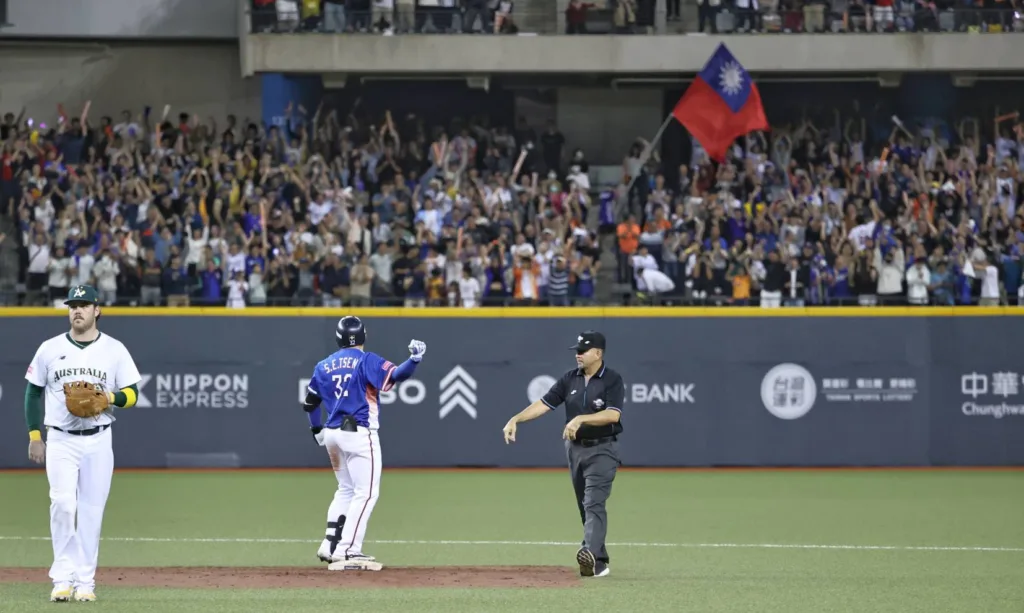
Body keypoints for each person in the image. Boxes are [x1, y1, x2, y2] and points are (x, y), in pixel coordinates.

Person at [24, 284, 142, 603]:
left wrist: (110, 398)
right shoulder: (50, 348)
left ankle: (85, 581)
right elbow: (33, 391)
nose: (77, 310)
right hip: (61, 439)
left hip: (99, 440)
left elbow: (133, 392)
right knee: (62, 504)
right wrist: (35, 435)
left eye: (84, 304)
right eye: (73, 305)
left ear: (97, 310)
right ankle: (62, 578)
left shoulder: (114, 349)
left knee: (91, 511)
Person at [303, 315, 427, 571]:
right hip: (359, 432)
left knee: (346, 489)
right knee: (367, 492)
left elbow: (310, 403)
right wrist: (414, 359)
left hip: (333, 435)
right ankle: (348, 550)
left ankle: (330, 545)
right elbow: (397, 374)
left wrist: (316, 429)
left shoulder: (323, 365)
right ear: (363, 335)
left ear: (338, 337)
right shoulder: (366, 360)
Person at [502, 330, 624, 578]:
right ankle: (597, 560)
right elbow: (544, 404)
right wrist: (516, 419)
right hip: (575, 450)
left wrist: (580, 418)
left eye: (583, 351)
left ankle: (589, 552)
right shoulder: (570, 379)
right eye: (576, 351)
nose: (578, 355)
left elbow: (613, 415)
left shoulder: (612, 379)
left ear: (598, 353)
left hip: (603, 449)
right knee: (584, 506)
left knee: (593, 502)